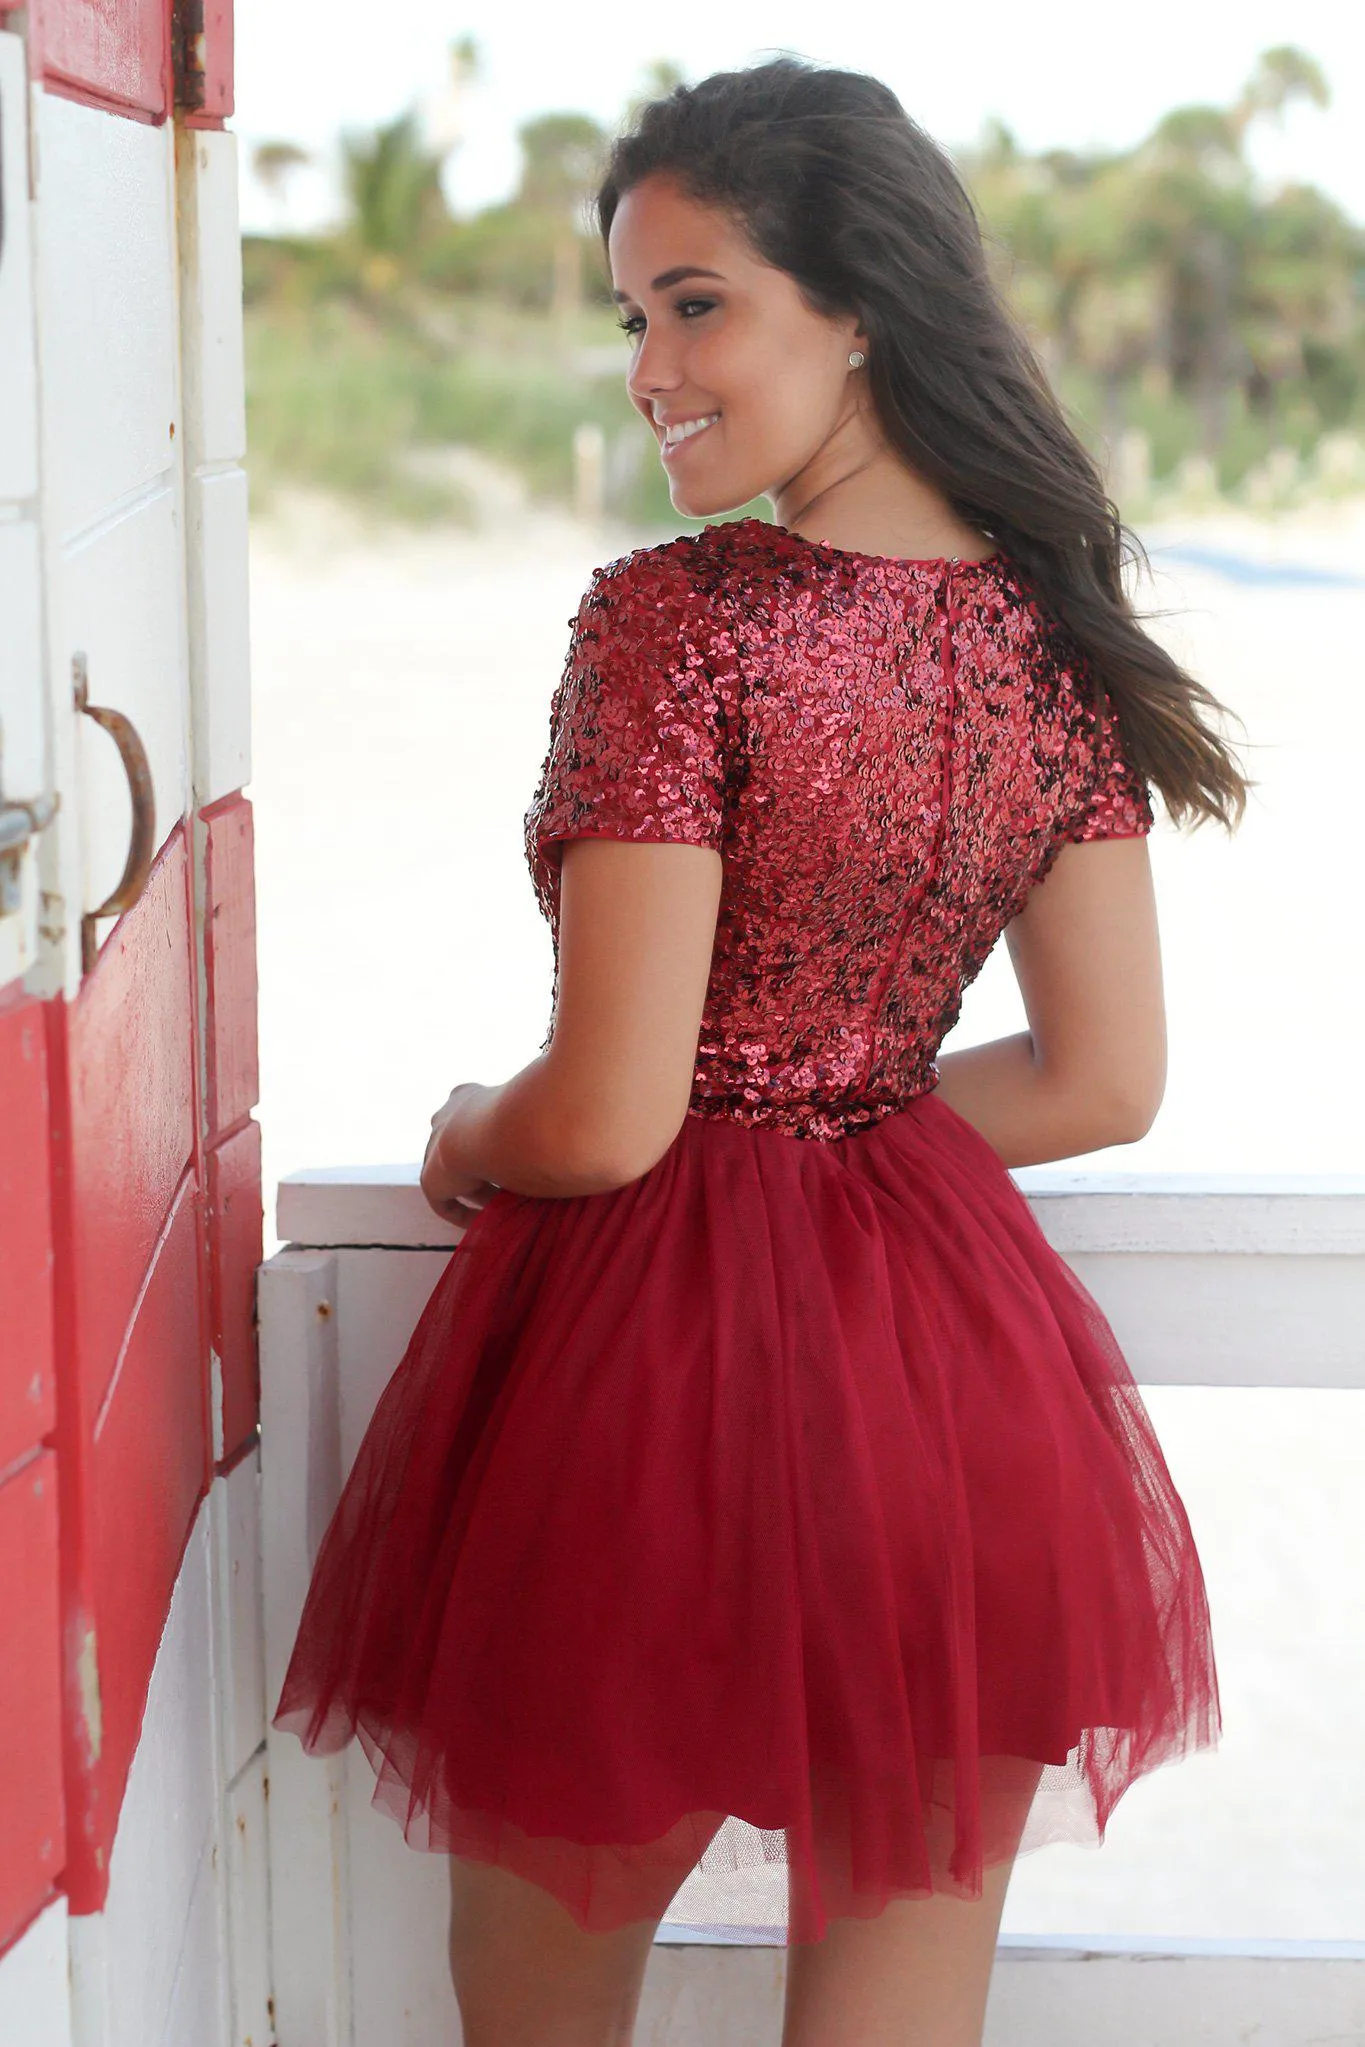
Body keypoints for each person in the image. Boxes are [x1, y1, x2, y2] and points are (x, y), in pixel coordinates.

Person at [271, 55, 1245, 2047]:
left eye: (694, 299)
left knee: (536, 2009)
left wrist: (474, 1121)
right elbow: (1096, 1081)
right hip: (952, 1401)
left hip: (644, 1405)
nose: (648, 367)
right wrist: (844, 1117)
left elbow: (610, 1114)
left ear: (859, 301)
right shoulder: (1053, 639)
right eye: (632, 316)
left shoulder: (677, 621)